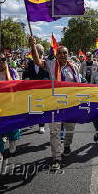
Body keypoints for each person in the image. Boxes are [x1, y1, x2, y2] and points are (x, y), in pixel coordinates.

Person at [29, 37, 81, 170]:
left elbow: (79, 85)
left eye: (65, 53)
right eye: (60, 53)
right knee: (54, 132)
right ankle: (56, 158)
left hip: (71, 104)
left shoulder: (74, 67)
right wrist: (33, 46)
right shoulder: (51, 65)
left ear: (68, 55)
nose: (62, 55)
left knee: (70, 130)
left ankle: (67, 145)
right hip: (55, 104)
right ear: (56, 55)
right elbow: (37, 61)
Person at [0, 53, 20, 163]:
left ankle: (12, 142)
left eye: (3, 59)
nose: (1, 62)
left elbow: (18, 85)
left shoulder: (12, 72)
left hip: (10, 104)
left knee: (12, 126)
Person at [24, 42, 50, 134]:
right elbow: (26, 74)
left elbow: (50, 76)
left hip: (43, 90)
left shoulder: (47, 63)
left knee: (41, 107)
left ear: (40, 52)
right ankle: (32, 121)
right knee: (32, 106)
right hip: (32, 89)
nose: (32, 53)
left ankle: (41, 125)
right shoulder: (30, 63)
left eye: (34, 51)